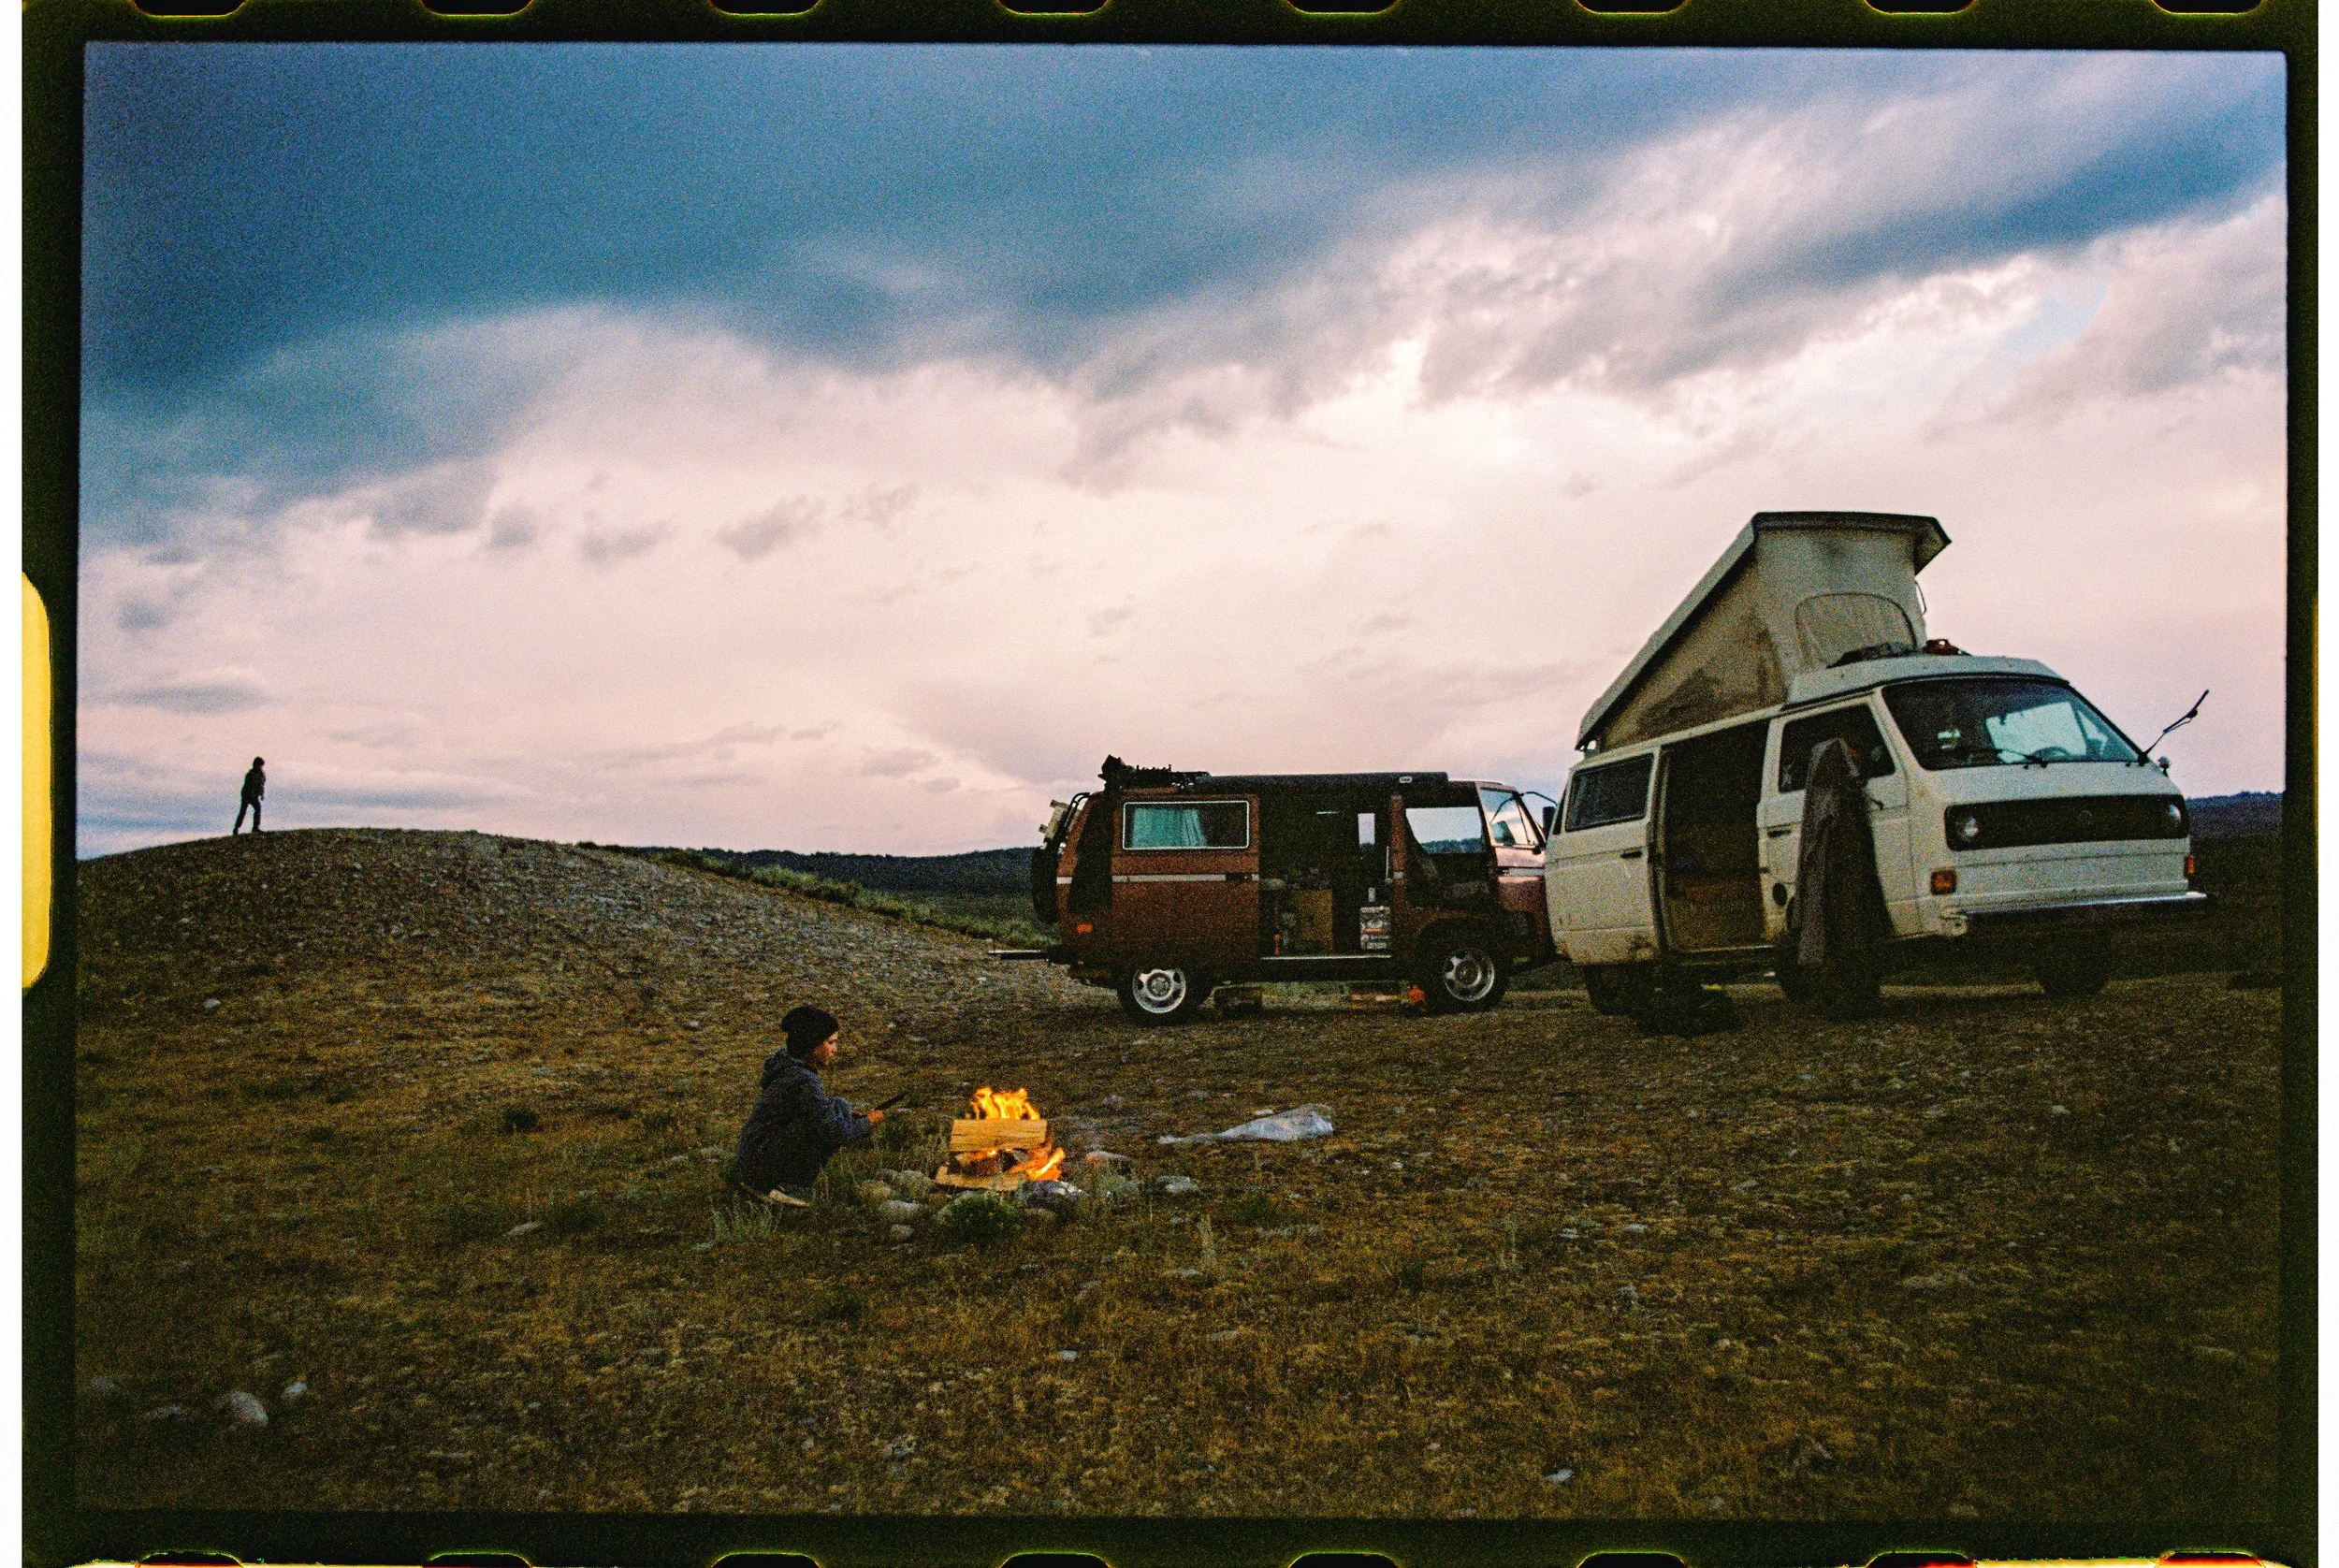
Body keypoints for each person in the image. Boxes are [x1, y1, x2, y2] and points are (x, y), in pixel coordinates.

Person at [732, 1005, 885, 1205]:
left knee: (837, 1106)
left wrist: (845, 1114)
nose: (835, 1050)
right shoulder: (803, 1079)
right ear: (812, 1045)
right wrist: (868, 1123)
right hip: (760, 1163)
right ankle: (784, 1188)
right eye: (830, 1043)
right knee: (824, 1125)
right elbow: (835, 1131)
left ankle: (770, 1184)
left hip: (754, 1156)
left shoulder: (788, 1067)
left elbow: (819, 1111)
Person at [232, 757, 266, 835]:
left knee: (258, 809)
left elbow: (261, 785)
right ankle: (236, 828)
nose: (260, 767)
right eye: (259, 765)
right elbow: (247, 787)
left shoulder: (261, 775)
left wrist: (262, 794)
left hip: (254, 796)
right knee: (243, 812)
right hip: (247, 796)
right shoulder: (250, 775)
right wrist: (246, 798)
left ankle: (255, 828)